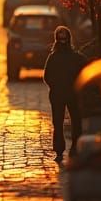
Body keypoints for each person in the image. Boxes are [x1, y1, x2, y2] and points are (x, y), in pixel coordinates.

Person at [42, 25, 87, 163]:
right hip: (72, 94)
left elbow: (46, 76)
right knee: (76, 121)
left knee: (58, 122)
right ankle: (75, 149)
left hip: (58, 95)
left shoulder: (53, 57)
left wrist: (55, 87)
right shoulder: (77, 58)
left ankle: (60, 151)